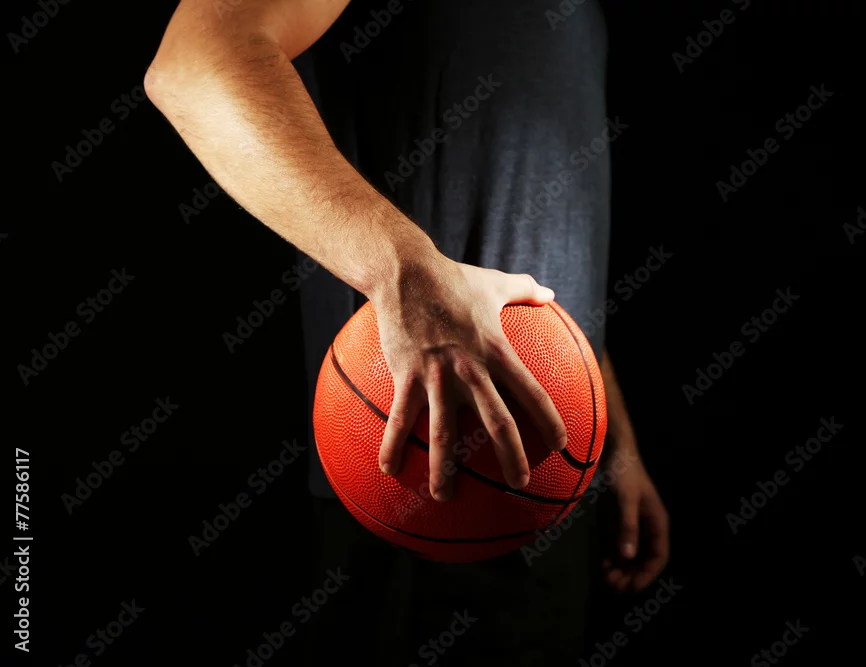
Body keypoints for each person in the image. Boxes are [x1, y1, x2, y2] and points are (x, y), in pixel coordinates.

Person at [145, 0, 669, 663]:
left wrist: (612, 438)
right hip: (419, 481)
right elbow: (195, 65)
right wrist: (403, 273)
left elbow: (522, 282)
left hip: (556, 494)